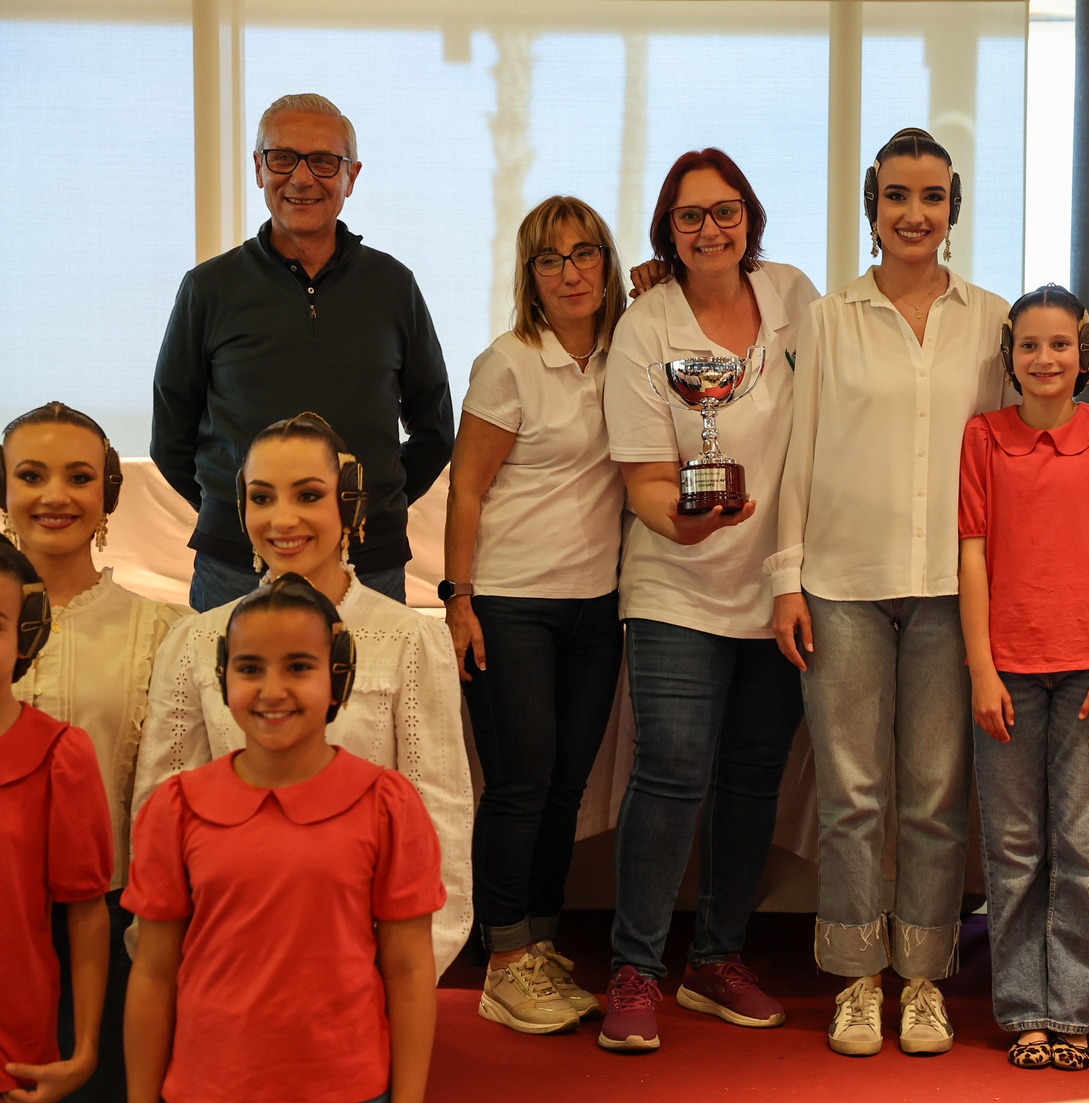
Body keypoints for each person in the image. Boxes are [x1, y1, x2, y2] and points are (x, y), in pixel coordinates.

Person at [766, 126, 1008, 1058]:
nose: (915, 213)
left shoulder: (993, 322)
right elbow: (797, 455)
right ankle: (857, 978)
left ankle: (926, 979)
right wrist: (786, 579)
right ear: (872, 207)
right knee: (853, 795)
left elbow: (1009, 463)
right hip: (843, 585)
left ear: (954, 208)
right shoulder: (829, 320)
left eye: (932, 196)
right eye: (897, 196)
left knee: (937, 797)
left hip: (954, 591)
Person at [599, 148, 819, 1052]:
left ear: (750, 217)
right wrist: (686, 525)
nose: (710, 229)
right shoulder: (645, 325)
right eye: (689, 216)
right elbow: (644, 479)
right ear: (668, 231)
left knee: (754, 775)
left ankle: (717, 960)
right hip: (674, 585)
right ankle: (634, 968)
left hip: (781, 586)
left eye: (725, 211)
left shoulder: (795, 295)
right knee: (672, 768)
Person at [133, 414, 473, 976]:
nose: (282, 519)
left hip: (362, 958)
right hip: (226, 955)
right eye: (262, 497)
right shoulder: (196, 640)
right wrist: (175, 964)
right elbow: (161, 809)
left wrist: (409, 970)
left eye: (308, 495)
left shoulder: (409, 640)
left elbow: (438, 816)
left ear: (349, 503)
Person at [125, 574, 444, 1103]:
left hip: (347, 1088)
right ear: (224, 676)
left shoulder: (386, 804)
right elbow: (155, 973)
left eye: (298, 667)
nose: (272, 691)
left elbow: (409, 969)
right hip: (207, 1086)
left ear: (338, 676)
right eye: (250, 668)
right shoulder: (176, 806)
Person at [151, 92, 453, 611]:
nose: (302, 178)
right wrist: (242, 513)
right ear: (258, 168)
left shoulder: (393, 285)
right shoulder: (209, 288)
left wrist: (373, 504)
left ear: (351, 176)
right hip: (236, 567)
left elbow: (434, 429)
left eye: (324, 162)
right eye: (283, 158)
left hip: (368, 563)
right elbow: (171, 437)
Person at [443, 195, 627, 1035]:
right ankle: (502, 960)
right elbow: (467, 490)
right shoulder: (509, 362)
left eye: (584, 253)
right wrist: (459, 599)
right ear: (530, 276)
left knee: (564, 789)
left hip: (596, 607)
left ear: (606, 263)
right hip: (511, 605)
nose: (570, 272)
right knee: (520, 784)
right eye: (549, 259)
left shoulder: (629, 351)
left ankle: (539, 943)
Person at [959, 285, 1089, 1073]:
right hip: (1007, 672)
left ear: (1084, 353)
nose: (1045, 359)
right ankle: (1022, 1010)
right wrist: (980, 667)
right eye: (1029, 345)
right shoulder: (983, 437)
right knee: (1013, 848)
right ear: (1010, 356)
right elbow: (971, 553)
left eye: (1060, 344)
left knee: (1084, 850)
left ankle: (1071, 1010)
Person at [3, 402, 188, 1103]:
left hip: (109, 926)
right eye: (31, 475)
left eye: (78, 477)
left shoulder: (164, 632)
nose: (55, 495)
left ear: (107, 493)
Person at [0, 537, 111, 1103]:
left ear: (26, 635)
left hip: (15, 1054)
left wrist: (85, 1049)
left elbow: (86, 911)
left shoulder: (59, 755)